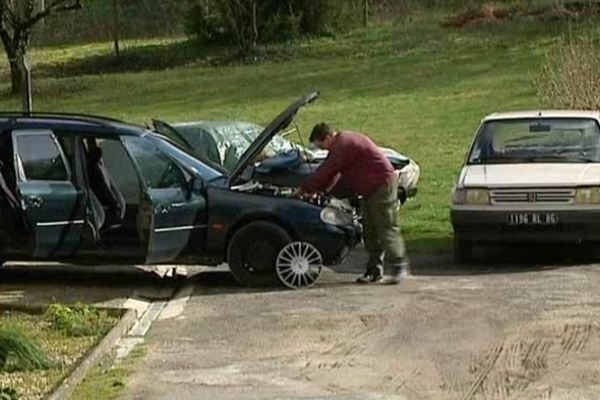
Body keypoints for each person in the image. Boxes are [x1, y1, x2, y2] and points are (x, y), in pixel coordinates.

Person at [296, 123, 410, 285]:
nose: (323, 149)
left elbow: (327, 170)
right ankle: (374, 270)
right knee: (370, 229)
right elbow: (333, 173)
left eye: (322, 145)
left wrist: (303, 189)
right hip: (369, 188)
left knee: (385, 226)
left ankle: (399, 265)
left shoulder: (343, 145)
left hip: (381, 184)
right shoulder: (341, 144)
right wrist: (320, 190)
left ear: (328, 137)